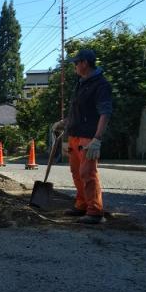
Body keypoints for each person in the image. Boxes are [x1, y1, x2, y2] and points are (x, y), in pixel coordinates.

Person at [52, 49, 112, 225]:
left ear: (85, 63)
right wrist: (65, 122)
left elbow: (105, 113)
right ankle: (82, 205)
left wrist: (97, 139)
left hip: (88, 138)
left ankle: (94, 211)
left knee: (88, 174)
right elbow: (79, 111)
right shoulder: (81, 83)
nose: (74, 66)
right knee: (76, 173)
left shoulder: (101, 85)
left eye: (76, 63)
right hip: (74, 135)